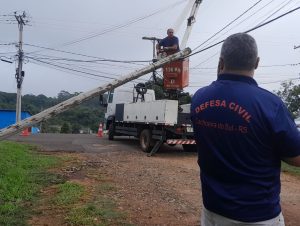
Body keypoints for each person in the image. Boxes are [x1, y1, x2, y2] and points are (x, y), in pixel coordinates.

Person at [191, 33, 300, 226]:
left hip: (212, 211)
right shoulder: (270, 105)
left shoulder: (199, 98)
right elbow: (296, 157)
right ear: (256, 63)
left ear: (221, 62)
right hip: (257, 216)